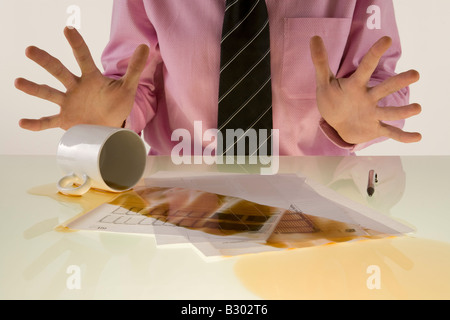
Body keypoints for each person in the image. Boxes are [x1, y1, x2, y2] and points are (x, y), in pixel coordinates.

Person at [15, 0, 422, 156]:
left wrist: (357, 125)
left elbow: (383, 87)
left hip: (317, 200)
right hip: (178, 196)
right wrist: (111, 122)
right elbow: (132, 86)